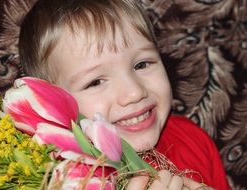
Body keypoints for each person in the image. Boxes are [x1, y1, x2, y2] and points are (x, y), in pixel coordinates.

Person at [18, 0, 230, 189]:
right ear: (52, 105)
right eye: (96, 82)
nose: (135, 92)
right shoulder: (61, 179)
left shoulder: (194, 140)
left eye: (141, 64)